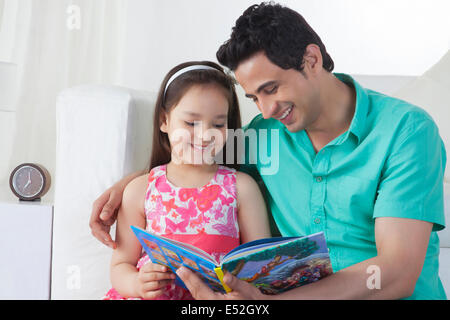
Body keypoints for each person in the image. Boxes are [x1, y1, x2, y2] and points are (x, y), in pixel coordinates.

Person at [91, 3, 447, 300]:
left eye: (271, 88)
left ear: (312, 59)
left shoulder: (406, 132)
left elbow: (397, 271)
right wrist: (131, 184)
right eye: (253, 98)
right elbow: (194, 163)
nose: (265, 110)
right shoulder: (264, 135)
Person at [101, 60, 271, 300]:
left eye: (218, 124)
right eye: (191, 123)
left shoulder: (241, 187)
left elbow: (262, 266)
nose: (204, 136)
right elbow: (121, 265)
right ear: (164, 120)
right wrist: (137, 283)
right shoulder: (140, 190)